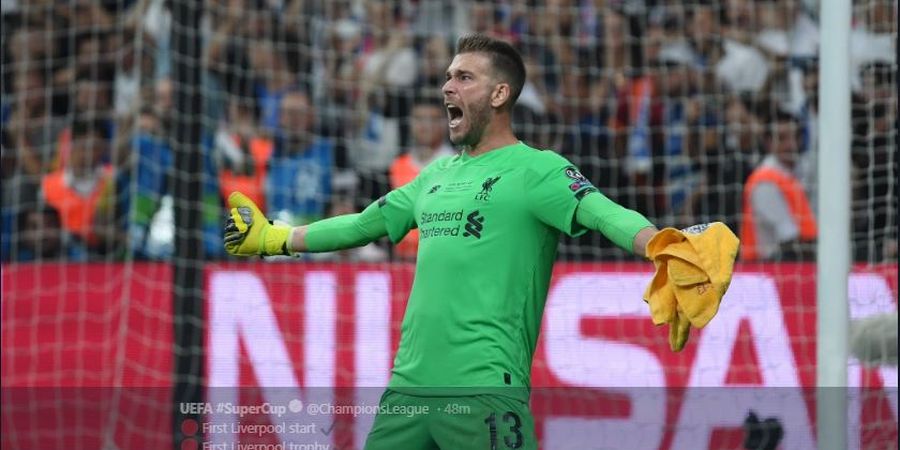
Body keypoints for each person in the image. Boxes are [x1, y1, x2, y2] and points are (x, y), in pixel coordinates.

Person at [224, 34, 661, 449]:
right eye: (448, 76)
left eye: (464, 78)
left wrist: (660, 244)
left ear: (499, 94)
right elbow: (362, 225)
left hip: (484, 389)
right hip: (407, 390)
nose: (446, 87)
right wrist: (274, 238)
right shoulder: (434, 175)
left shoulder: (538, 170)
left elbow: (606, 213)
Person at [739, 110, 817, 261]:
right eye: (782, 138)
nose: (791, 145)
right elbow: (789, 239)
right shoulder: (765, 182)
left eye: (795, 137)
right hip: (770, 269)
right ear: (768, 143)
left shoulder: (793, 174)